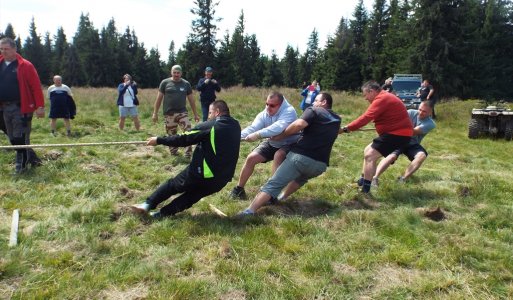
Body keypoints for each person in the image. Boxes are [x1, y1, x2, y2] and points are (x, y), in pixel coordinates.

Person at [129, 100, 241, 219]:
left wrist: (159, 140)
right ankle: (160, 214)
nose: (208, 116)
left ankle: (147, 204)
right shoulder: (236, 125)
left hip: (202, 173)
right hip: (222, 180)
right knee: (191, 197)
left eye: (210, 113)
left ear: (217, 112)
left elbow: (183, 139)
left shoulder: (210, 126)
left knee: (173, 185)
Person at [238, 92, 341, 216]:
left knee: (274, 183)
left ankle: (249, 211)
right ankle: (281, 198)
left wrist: (280, 135)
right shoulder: (337, 119)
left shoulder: (313, 110)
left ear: (323, 102)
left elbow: (298, 124)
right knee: (301, 179)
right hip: (320, 166)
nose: (313, 103)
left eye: (316, 100)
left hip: (301, 158)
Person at [340, 80, 413, 195]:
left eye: (365, 95)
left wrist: (346, 128)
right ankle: (362, 181)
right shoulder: (384, 96)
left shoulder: (381, 98)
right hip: (396, 133)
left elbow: (366, 117)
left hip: (398, 134)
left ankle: (365, 190)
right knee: (367, 151)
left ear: (372, 91)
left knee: (370, 155)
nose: (365, 98)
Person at [229, 92, 299, 200]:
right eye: (267, 104)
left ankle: (271, 193)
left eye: (272, 105)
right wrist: (236, 138)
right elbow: (253, 128)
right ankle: (239, 190)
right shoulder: (264, 113)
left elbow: (278, 127)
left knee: (278, 155)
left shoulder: (289, 111)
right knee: (251, 158)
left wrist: (258, 135)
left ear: (280, 105)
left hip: (289, 144)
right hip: (272, 142)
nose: (268, 108)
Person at [0, 37, 45, 173]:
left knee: (21, 137)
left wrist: (40, 106)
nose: (3, 52)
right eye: (1, 49)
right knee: (12, 137)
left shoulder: (25, 65)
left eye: (6, 49)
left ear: (14, 49)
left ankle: (21, 167)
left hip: (21, 107)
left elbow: (36, 87)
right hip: (4, 107)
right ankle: (28, 160)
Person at [372, 101, 436, 185]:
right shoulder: (410, 112)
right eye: (420, 109)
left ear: (431, 112)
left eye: (424, 111)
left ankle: (403, 179)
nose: (420, 112)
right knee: (391, 156)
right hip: (399, 139)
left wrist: (398, 126)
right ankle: (374, 178)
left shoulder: (430, 124)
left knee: (421, 155)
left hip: (412, 143)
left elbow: (412, 132)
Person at [153, 65, 200, 158]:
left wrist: (195, 114)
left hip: (182, 113)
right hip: (169, 114)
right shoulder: (165, 83)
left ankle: (188, 154)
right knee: (172, 135)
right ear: (171, 72)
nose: (176, 74)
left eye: (178, 73)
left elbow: (191, 100)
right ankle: (174, 153)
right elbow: (158, 99)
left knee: (188, 131)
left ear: (181, 73)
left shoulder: (186, 84)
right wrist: (155, 113)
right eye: (174, 72)